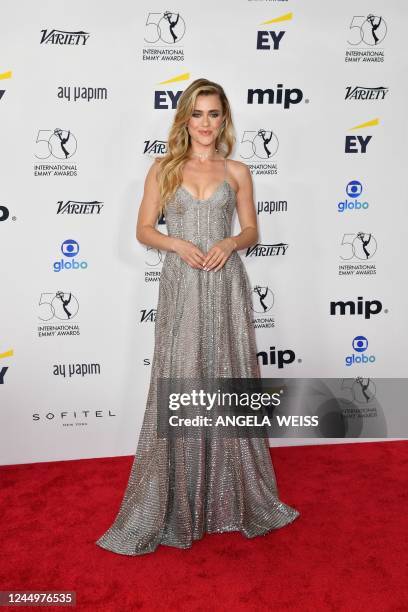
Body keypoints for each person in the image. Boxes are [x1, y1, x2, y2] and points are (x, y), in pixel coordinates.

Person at [95, 78, 300, 556]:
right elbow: (144, 230)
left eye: (214, 114)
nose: (205, 123)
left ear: (223, 119)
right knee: (182, 377)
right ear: (184, 119)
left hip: (226, 282)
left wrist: (230, 242)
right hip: (182, 282)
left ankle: (231, 496)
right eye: (197, 114)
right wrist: (177, 243)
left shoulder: (238, 171)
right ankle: (177, 499)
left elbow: (251, 229)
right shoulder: (164, 168)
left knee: (227, 377)